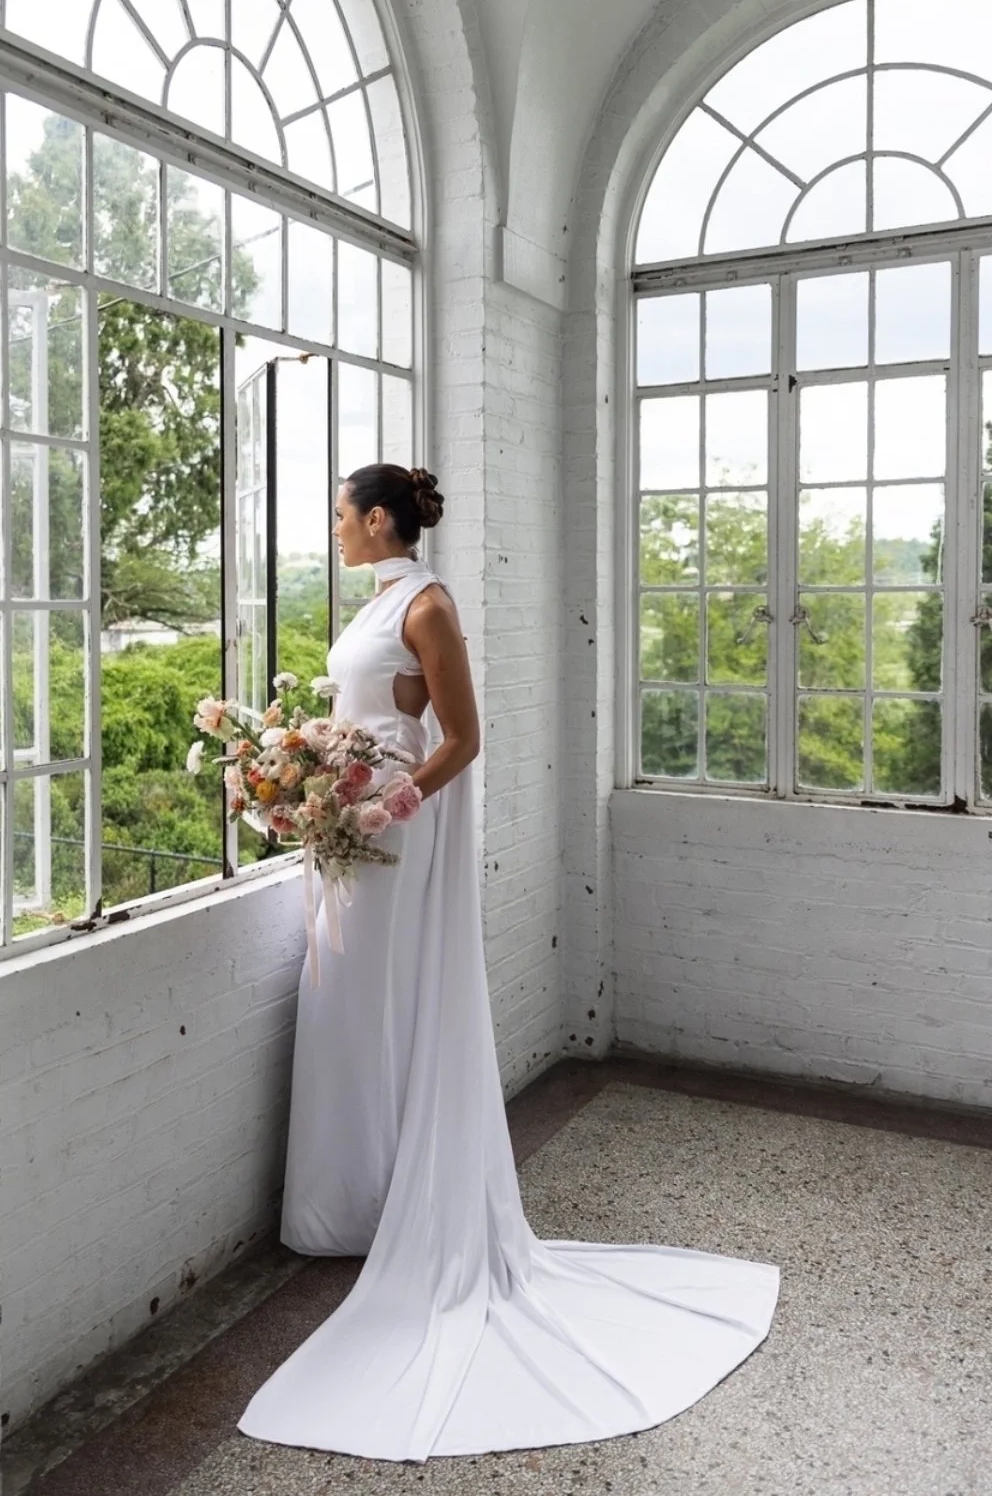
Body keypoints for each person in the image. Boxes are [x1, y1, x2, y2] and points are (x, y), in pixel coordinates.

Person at [238, 464, 780, 1463]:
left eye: (343, 516)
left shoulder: (430, 603)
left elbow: (464, 738)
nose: (336, 529)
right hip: (349, 824)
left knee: (380, 1004)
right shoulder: (377, 601)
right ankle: (351, 1204)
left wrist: (378, 804)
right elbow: (363, 719)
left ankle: (392, 1206)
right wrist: (305, 769)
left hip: (395, 836)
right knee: (347, 1012)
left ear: (378, 519)